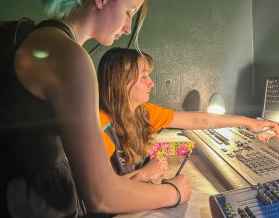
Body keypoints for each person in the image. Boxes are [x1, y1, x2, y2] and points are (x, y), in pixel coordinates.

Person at [0, 0, 190, 218]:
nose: (128, 27)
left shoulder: (39, 36)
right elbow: (101, 197)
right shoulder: (70, 58)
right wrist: (176, 191)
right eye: (129, 12)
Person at [97, 47, 279, 182]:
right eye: (144, 76)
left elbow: (195, 119)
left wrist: (248, 122)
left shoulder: (143, 112)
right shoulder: (101, 125)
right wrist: (144, 174)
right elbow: (101, 195)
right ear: (121, 83)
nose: (151, 83)